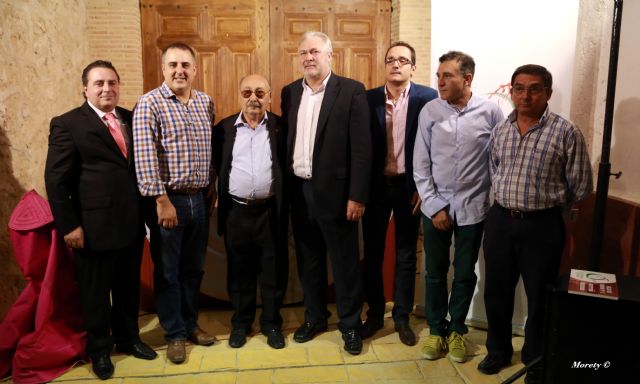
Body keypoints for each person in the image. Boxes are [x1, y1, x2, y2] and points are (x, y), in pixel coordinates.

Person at [478, 64, 593, 384]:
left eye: (534, 88)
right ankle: (498, 351)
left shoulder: (565, 132)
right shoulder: (501, 129)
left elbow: (582, 185)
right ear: (511, 91)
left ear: (548, 93)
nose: (525, 95)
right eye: (519, 88)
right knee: (496, 293)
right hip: (500, 222)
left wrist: (552, 205)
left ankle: (535, 360)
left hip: (542, 227)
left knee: (540, 298)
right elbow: (493, 172)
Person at [45, 60, 157, 380]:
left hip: (131, 223)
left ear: (119, 86)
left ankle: (129, 339)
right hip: (92, 229)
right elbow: (56, 180)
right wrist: (69, 225)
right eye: (99, 84)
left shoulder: (131, 118)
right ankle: (99, 350)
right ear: (85, 88)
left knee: (127, 287)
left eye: (112, 83)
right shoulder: (67, 124)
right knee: (95, 293)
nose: (107, 89)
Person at [281, 31, 372, 355]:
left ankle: (350, 325)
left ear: (330, 55)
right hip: (300, 192)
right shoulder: (290, 92)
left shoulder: (351, 91)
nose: (309, 57)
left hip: (338, 196)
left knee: (345, 263)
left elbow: (362, 151)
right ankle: (315, 317)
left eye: (315, 51)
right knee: (309, 262)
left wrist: (357, 196)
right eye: (304, 52)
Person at [413, 51, 504, 363]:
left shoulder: (491, 112)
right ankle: (436, 331)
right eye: (439, 75)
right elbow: (420, 164)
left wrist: (492, 202)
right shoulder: (430, 112)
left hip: (474, 208)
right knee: (434, 273)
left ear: (467, 79)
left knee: (465, 274)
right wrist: (435, 206)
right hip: (435, 207)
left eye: (447, 75)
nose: (440, 81)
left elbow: (498, 163)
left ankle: (456, 331)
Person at [133, 42, 217, 364]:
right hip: (169, 202)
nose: (179, 71)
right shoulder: (149, 103)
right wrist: (161, 200)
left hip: (199, 199)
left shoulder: (205, 103)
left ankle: (191, 324)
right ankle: (175, 334)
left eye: (185, 65)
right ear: (163, 69)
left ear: (195, 69)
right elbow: (145, 156)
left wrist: (211, 190)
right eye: (173, 65)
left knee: (193, 270)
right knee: (168, 272)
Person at [361, 41, 437, 346]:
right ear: (385, 65)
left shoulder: (428, 98)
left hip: (410, 188)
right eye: (391, 60)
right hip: (376, 187)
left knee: (407, 255)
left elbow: (436, 145)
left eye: (403, 60)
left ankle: (402, 317)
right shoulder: (366, 99)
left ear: (413, 67)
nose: (396, 64)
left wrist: (424, 185)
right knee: (373, 255)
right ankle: (376, 314)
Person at [212, 74, 288, 350]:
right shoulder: (223, 129)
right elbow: (217, 166)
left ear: (269, 96)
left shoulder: (281, 127)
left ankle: (271, 324)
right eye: (247, 92)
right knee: (239, 272)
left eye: (259, 92)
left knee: (273, 272)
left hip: (270, 212)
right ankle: (241, 324)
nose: (253, 98)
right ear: (239, 95)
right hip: (237, 212)